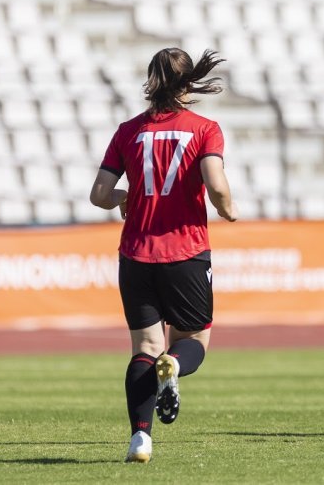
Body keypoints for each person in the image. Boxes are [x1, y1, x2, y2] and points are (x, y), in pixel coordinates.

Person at [90, 48, 238, 463]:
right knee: (192, 341)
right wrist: (228, 210)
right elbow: (216, 184)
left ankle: (140, 439)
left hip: (136, 253)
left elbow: (99, 194)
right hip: (186, 251)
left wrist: (125, 196)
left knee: (144, 346)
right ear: (189, 82)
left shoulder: (127, 131)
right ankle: (173, 365)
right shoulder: (204, 128)